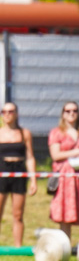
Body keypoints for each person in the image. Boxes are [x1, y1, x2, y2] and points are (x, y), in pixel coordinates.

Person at [0, 102, 37, 247]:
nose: (7, 114)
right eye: (4, 111)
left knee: (18, 215)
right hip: (2, 169)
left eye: (11, 111)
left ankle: (17, 247)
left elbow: (30, 157)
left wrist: (33, 180)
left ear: (16, 114)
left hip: (19, 171)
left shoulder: (24, 133)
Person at [47, 101, 79, 240]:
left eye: (74, 110)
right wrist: (75, 152)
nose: (71, 113)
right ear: (63, 114)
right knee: (65, 213)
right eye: (68, 111)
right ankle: (65, 245)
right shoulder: (57, 132)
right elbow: (55, 155)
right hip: (65, 178)